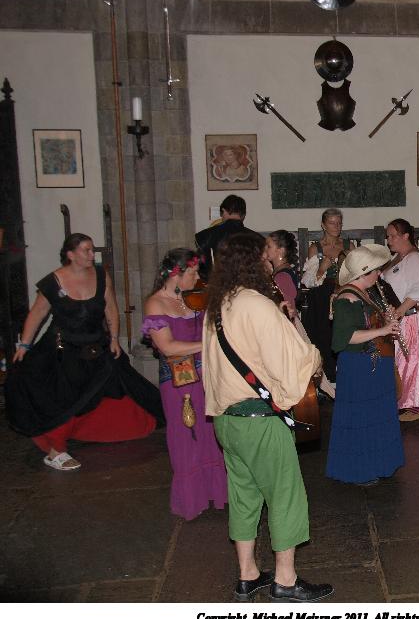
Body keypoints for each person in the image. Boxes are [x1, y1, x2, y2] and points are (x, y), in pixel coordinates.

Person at [201, 232, 332, 603]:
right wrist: (313, 358)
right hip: (260, 422)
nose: (268, 262)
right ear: (252, 261)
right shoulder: (257, 304)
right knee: (285, 495)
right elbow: (293, 359)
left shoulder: (217, 306)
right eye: (263, 257)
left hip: (227, 420)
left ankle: (247, 575)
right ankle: (286, 580)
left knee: (244, 496)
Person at [5, 233, 161, 471]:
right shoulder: (53, 282)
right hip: (62, 348)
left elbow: (111, 308)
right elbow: (37, 314)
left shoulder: (100, 275)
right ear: (70, 254)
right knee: (63, 395)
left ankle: (122, 427)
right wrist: (24, 345)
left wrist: (114, 338)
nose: (91, 254)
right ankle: (56, 450)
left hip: (96, 344)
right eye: (86, 250)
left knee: (114, 386)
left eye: (92, 249)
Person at [142, 249, 227, 520]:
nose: (197, 277)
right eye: (192, 272)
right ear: (176, 274)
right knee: (185, 434)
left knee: (210, 433)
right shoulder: (155, 304)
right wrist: (208, 344)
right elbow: (167, 347)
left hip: (206, 376)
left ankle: (216, 492)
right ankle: (192, 499)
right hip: (178, 381)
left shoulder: (195, 298)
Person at [326, 244, 405, 486]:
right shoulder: (347, 299)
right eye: (375, 270)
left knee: (375, 417)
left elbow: (368, 325)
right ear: (363, 273)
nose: (379, 274)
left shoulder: (366, 293)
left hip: (372, 364)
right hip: (359, 367)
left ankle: (378, 464)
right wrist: (383, 329)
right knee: (361, 419)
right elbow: (343, 339)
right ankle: (359, 470)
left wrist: (385, 319)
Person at [382, 219, 419, 421]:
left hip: (411, 317)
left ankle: (417, 405)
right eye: (388, 236)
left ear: (406, 236)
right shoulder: (397, 259)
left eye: (393, 236)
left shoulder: (416, 259)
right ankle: (402, 400)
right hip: (399, 317)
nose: (389, 240)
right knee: (401, 362)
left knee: (412, 361)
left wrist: (398, 312)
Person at [301, 208, 353, 396]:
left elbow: (358, 273)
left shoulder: (348, 245)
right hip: (322, 298)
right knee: (325, 335)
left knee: (345, 335)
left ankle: (346, 376)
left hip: (345, 295)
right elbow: (308, 281)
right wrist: (322, 269)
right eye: (332, 223)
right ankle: (329, 381)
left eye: (339, 222)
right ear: (323, 225)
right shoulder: (316, 248)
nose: (336, 226)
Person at [195, 195, 254, 280]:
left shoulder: (205, 236)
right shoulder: (257, 238)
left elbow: (202, 267)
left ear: (223, 211)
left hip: (216, 283)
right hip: (247, 284)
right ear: (243, 215)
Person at [265, 230, 302, 320]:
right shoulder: (281, 271)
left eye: (268, 246)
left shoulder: (282, 276)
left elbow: (289, 309)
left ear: (281, 250)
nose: (265, 249)